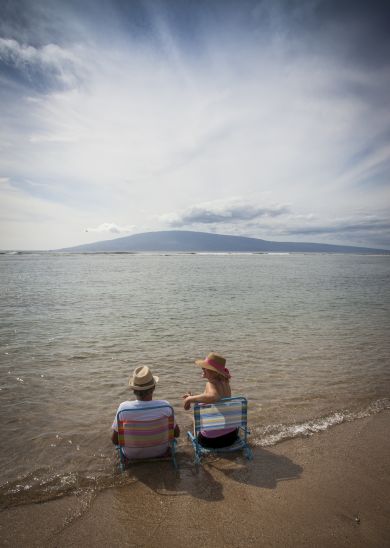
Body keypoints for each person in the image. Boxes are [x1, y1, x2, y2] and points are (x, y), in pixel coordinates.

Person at [111, 365, 180, 459]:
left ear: (133, 390)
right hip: (160, 451)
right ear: (154, 387)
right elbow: (176, 434)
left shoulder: (123, 409)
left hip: (131, 455)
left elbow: (115, 440)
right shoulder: (165, 407)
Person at [182, 352, 238, 448]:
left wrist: (189, 399)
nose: (202, 369)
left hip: (212, 441)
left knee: (195, 419)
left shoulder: (210, 384)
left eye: (205, 368)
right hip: (232, 436)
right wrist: (194, 397)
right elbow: (211, 397)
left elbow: (213, 397)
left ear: (215, 372)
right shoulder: (225, 383)